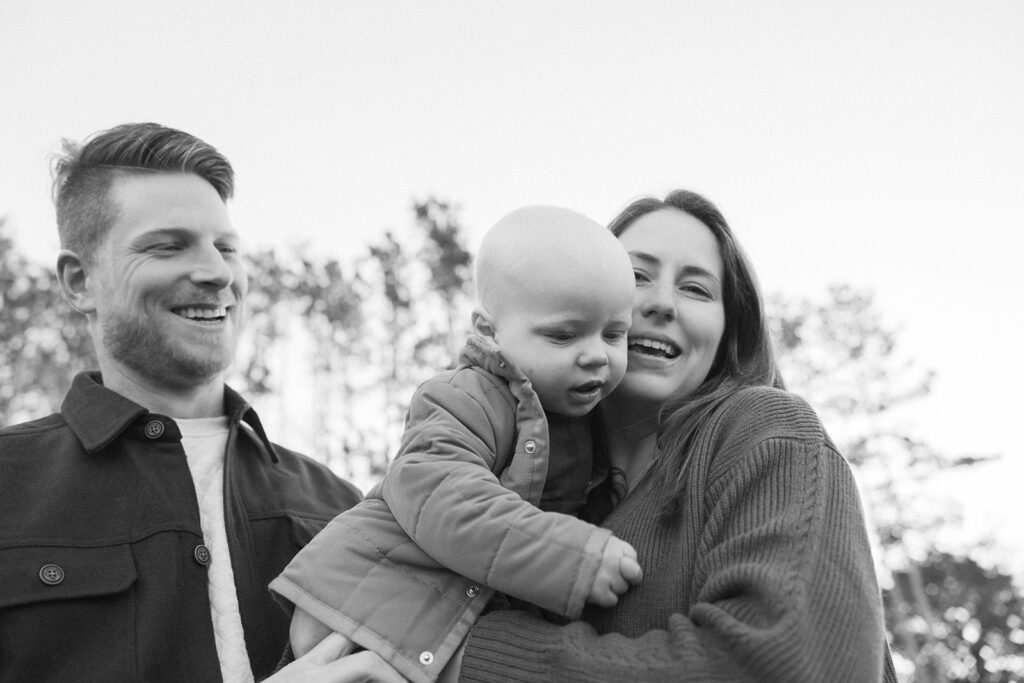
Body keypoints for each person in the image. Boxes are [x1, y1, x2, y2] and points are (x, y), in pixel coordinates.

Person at [442, 189, 896, 681]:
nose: (661, 303)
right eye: (637, 277)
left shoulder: (767, 431)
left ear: (728, 332)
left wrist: (474, 659)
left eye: (697, 289)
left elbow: (793, 665)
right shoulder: (511, 484)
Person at [0, 122, 383, 682]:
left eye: (227, 248)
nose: (217, 272)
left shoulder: (341, 508)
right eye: (167, 246)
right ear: (80, 281)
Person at [270, 206, 643, 682]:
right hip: (363, 618)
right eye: (564, 334)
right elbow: (442, 493)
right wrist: (571, 556)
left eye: (615, 334)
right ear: (489, 332)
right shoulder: (464, 395)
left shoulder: (582, 421)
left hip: (427, 633)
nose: (597, 355)